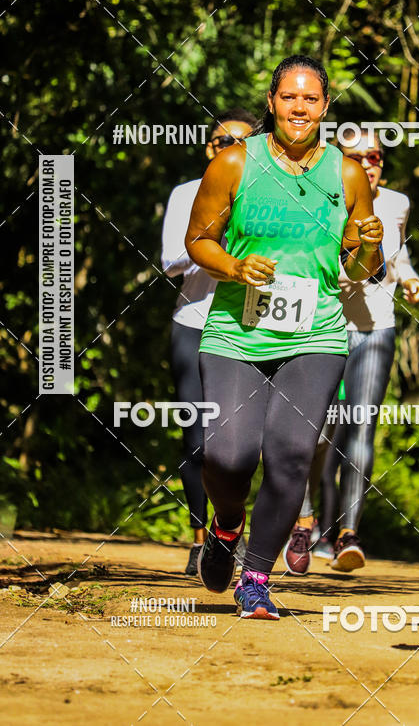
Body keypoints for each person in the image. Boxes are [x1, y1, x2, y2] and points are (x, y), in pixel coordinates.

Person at [184, 55, 385, 619]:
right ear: (272, 102)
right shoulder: (233, 163)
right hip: (236, 331)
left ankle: (257, 575)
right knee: (227, 455)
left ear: (325, 107)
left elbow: (361, 267)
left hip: (315, 332)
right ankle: (225, 527)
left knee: (292, 455)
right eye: (289, 97)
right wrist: (233, 266)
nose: (300, 107)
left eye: (312, 99)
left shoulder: (345, 173)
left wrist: (368, 243)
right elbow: (198, 238)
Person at [284, 127, 419, 575]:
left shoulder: (397, 204)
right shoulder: (316, 197)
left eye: (376, 157)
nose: (369, 164)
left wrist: (409, 278)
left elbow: (397, 255)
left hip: (375, 327)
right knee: (315, 433)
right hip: (320, 326)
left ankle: (350, 534)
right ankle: (303, 523)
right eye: (358, 157)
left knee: (361, 430)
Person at [161, 109, 255, 574]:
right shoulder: (186, 193)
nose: (232, 149)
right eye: (223, 142)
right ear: (208, 148)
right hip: (193, 322)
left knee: (238, 442)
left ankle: (230, 526)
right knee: (198, 438)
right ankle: (202, 537)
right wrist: (216, 248)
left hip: (248, 328)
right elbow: (171, 261)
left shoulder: (266, 194)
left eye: (243, 141)